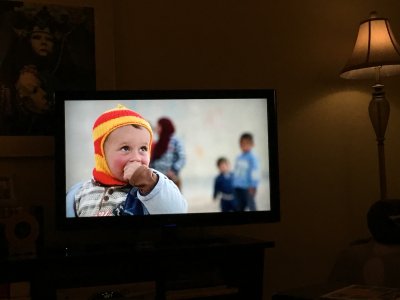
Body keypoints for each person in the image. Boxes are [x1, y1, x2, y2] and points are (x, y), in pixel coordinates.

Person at [70, 104, 188, 217]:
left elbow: (178, 210)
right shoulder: (81, 193)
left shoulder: (147, 190)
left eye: (143, 148)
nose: (136, 158)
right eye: (125, 148)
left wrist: (149, 181)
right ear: (102, 154)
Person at [150, 117, 186, 190]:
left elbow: (182, 158)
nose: (157, 129)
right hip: (157, 179)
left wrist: (173, 170)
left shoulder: (175, 141)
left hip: (171, 179)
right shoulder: (159, 142)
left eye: (159, 126)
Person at [233, 133, 260, 211]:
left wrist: (253, 185)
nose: (244, 146)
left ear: (252, 144)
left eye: (247, 144)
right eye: (242, 144)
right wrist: (234, 183)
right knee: (239, 206)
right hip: (238, 187)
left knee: (251, 205)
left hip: (248, 187)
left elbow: (255, 172)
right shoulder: (239, 157)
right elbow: (236, 171)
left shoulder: (252, 157)